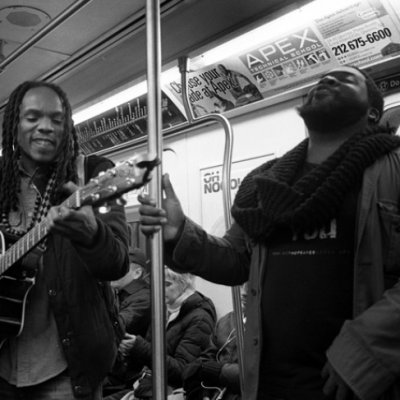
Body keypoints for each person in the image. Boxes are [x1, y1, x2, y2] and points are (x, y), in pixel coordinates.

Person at [138, 65, 400, 400]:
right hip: (269, 380)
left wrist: (365, 350)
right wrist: (179, 232)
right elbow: (235, 259)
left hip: (362, 380)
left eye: (347, 79)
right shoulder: (267, 183)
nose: (328, 80)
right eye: (322, 79)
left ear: (373, 112)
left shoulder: (392, 170)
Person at [0, 80, 130, 400]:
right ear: (13, 125)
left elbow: (118, 262)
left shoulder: (96, 175)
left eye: (56, 120)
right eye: (32, 118)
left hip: (64, 368)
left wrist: (93, 235)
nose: (45, 127)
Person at [105, 267, 216, 400]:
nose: (160, 288)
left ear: (184, 285)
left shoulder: (199, 319)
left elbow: (183, 371)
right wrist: (129, 349)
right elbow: (149, 351)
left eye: (167, 284)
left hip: (169, 390)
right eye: (158, 283)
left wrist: (138, 347)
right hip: (145, 384)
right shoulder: (163, 308)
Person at [183, 283, 248, 400]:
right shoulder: (227, 321)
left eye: (251, 286)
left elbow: (257, 375)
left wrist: (218, 371)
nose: (244, 293)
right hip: (216, 393)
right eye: (243, 285)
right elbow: (206, 359)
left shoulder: (273, 328)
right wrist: (204, 393)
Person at [104, 248, 152, 396]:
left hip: (125, 378)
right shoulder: (118, 294)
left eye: (120, 267)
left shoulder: (144, 298)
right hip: (114, 371)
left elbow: (116, 326)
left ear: (137, 273)